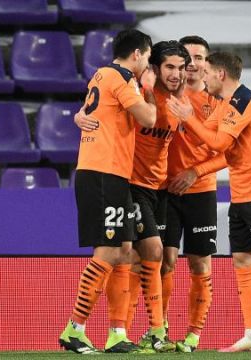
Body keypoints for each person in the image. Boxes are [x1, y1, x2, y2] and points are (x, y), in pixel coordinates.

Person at [167, 51, 251, 352]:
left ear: (220, 74)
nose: (202, 78)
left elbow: (218, 142)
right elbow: (209, 136)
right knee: (243, 260)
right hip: (242, 193)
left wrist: (187, 118)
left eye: (206, 73)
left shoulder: (245, 101)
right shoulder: (225, 104)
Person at [59, 29, 156, 355]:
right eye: (149, 57)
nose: (148, 64)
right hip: (103, 172)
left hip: (109, 172)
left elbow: (93, 113)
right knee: (109, 252)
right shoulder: (124, 79)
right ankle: (75, 327)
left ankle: (117, 333)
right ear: (139, 54)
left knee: (125, 250)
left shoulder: (101, 74)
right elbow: (148, 118)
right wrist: (149, 90)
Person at [123, 40, 191, 353]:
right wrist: (81, 116)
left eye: (181, 68)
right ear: (155, 68)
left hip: (159, 188)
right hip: (131, 184)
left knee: (146, 260)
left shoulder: (183, 102)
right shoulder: (137, 92)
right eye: (169, 67)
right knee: (151, 252)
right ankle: (154, 330)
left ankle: (132, 332)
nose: (176, 74)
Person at [163, 35, 226, 353]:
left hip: (201, 190)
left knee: (200, 264)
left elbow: (230, 153)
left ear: (208, 63)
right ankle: (158, 332)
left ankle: (192, 336)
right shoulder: (162, 96)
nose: (192, 62)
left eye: (199, 57)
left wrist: (194, 172)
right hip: (165, 190)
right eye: (186, 57)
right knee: (164, 261)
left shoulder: (219, 104)